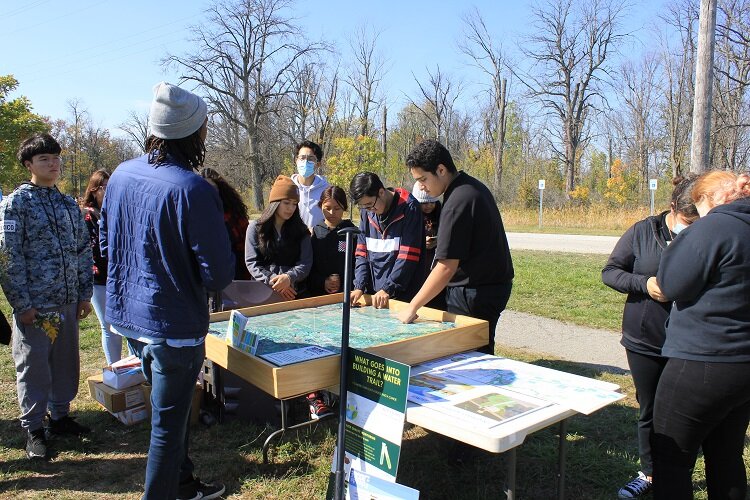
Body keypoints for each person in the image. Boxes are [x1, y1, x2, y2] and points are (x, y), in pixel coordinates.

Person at [100, 82, 233, 500]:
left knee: (166, 412)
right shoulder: (192, 189)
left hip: (128, 318)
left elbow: (106, 243)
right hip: (172, 326)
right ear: (193, 133)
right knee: (166, 424)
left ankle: (183, 483)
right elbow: (218, 272)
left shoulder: (121, 173)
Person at [652, 170, 750, 499]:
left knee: (671, 457)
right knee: (726, 457)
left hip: (703, 360)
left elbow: (672, 284)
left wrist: (681, 242)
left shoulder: (712, 228)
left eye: (698, 206)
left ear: (708, 199)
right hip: (743, 364)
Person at [601, 174, 698, 499]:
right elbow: (611, 271)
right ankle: (650, 472)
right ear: (672, 207)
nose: (691, 226)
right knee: (649, 408)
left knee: (683, 412)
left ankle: (677, 472)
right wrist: (645, 284)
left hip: (689, 341)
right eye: (687, 220)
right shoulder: (644, 231)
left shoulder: (705, 236)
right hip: (644, 339)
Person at [0, 133, 93, 460]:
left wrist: (84, 294)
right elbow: (8, 257)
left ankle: (60, 417)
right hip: (36, 307)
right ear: (29, 165)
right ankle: (34, 428)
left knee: (65, 362)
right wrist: (22, 304)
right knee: (35, 365)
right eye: (44, 159)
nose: (53, 164)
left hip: (67, 300)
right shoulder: (16, 204)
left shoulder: (68, 204)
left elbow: (83, 249)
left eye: (55, 158)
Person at [397, 140, 513, 355]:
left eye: (423, 179)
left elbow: (446, 266)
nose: (421, 186)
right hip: (490, 287)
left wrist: (412, 307)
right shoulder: (470, 187)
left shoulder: (457, 201)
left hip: (475, 292)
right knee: (479, 350)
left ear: (441, 170)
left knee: (469, 356)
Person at [349, 172, 424, 309]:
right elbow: (361, 253)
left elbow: (408, 256)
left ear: (381, 192)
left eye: (370, 204)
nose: (369, 210)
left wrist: (388, 288)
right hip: (375, 296)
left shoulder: (409, 207)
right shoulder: (367, 212)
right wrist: (359, 286)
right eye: (364, 207)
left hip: (403, 296)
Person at [81, 169, 125, 366]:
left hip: (122, 277)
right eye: (105, 187)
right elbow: (94, 248)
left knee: (126, 326)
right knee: (108, 327)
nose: (109, 192)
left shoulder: (119, 211)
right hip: (100, 279)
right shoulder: (88, 216)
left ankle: (133, 368)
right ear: (94, 190)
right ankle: (115, 368)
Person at [245, 175, 312, 301]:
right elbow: (252, 263)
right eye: (286, 203)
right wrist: (275, 281)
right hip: (262, 294)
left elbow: (305, 263)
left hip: (295, 293)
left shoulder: (302, 231)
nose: (290, 208)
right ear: (275, 203)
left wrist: (289, 277)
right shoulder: (256, 228)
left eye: (294, 204)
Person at [200, 167, 252, 281]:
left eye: (212, 188)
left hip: (238, 274)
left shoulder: (234, 215)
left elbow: (247, 246)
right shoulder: (197, 217)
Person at [308, 185, 356, 297]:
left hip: (348, 294)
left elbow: (358, 266)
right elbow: (308, 267)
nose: (331, 212)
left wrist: (343, 282)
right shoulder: (314, 234)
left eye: (337, 208)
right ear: (320, 207)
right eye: (327, 208)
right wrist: (323, 282)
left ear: (344, 207)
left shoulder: (353, 234)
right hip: (318, 297)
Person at [411, 180, 446, 310]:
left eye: (432, 202)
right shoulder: (412, 216)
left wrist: (438, 241)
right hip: (419, 263)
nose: (428, 206)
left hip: (435, 260)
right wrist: (420, 241)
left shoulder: (441, 214)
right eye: (424, 203)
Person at [291, 140, 330, 229]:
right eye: (302, 158)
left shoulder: (326, 189)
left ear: (318, 164)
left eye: (311, 159)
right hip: (291, 240)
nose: (305, 162)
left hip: (318, 240)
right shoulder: (288, 187)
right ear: (296, 160)